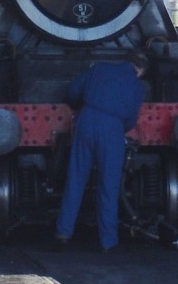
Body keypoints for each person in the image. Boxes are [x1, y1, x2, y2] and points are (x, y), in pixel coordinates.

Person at [55, 51, 149, 252]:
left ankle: (63, 232)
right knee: (108, 186)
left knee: (75, 179)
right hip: (112, 128)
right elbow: (131, 120)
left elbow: (73, 91)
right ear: (139, 70)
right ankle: (108, 241)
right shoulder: (136, 86)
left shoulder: (99, 68)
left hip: (86, 120)